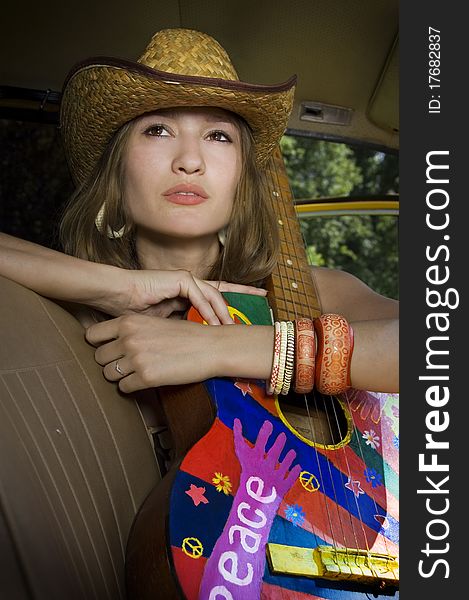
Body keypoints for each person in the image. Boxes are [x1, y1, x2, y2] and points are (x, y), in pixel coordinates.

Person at [0, 27, 398, 403]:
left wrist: (221, 346)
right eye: (158, 130)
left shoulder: (311, 295)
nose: (190, 161)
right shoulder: (64, 307)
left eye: (218, 136)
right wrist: (120, 287)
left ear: (241, 178)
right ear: (116, 174)